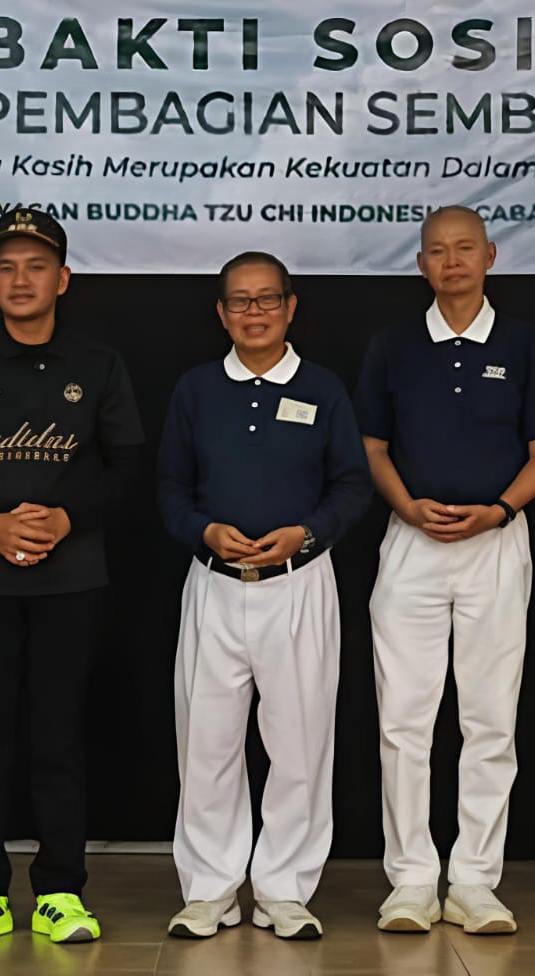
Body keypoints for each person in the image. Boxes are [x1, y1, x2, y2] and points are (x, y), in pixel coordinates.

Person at [0, 209, 144, 945]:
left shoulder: (98, 363)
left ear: (62, 279)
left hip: (70, 581)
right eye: (6, 267)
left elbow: (126, 465)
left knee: (58, 739)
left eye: (36, 266)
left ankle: (60, 892)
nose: (21, 279)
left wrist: (67, 519)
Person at [354, 205, 535, 935]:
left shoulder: (525, 344)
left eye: (465, 249)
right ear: (421, 264)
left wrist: (499, 511)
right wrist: (408, 507)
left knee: (489, 720)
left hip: (496, 543)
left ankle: (476, 880)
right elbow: (372, 448)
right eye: (438, 251)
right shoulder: (392, 345)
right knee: (403, 722)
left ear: (490, 256)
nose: (452, 262)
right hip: (411, 542)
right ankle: (412, 880)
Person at [156, 252, 372, 940]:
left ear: (291, 307)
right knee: (206, 745)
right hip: (215, 587)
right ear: (222, 314)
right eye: (240, 302)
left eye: (267, 299)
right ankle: (210, 890)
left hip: (298, 585)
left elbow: (352, 484)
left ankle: (285, 889)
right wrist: (203, 531)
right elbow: (170, 487)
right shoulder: (196, 388)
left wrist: (307, 534)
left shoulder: (322, 388)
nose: (255, 313)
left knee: (300, 744)